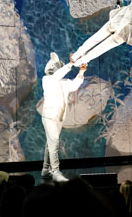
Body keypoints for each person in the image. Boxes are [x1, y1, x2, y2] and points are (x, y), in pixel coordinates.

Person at [40, 52, 86, 182]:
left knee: (50, 143)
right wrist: (71, 64)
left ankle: (45, 169)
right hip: (49, 116)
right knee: (54, 142)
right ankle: (55, 172)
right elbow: (56, 76)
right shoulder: (47, 79)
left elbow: (74, 84)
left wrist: (81, 71)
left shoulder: (63, 82)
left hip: (59, 117)